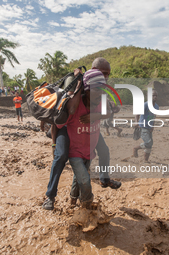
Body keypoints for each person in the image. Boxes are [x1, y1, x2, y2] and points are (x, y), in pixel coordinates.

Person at [42, 58, 121, 210]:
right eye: (103, 73)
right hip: (68, 127)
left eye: (108, 75)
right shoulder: (77, 85)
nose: (105, 77)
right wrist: (53, 143)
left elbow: (107, 111)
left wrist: (95, 115)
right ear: (92, 69)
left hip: (87, 130)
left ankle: (101, 181)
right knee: (61, 156)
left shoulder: (99, 88)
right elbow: (60, 116)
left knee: (100, 152)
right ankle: (50, 196)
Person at [55, 69, 108, 208]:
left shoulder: (100, 104)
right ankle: (87, 207)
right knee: (85, 180)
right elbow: (58, 124)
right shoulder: (75, 107)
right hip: (75, 152)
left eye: (103, 89)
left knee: (78, 177)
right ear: (88, 90)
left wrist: (95, 116)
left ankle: (73, 200)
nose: (101, 93)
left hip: (89, 151)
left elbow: (110, 111)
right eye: (97, 89)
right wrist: (55, 146)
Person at [133, 90, 159, 162]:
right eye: (153, 95)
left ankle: (145, 161)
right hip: (143, 126)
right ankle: (136, 148)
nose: (155, 97)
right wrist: (136, 122)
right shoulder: (145, 105)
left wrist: (152, 126)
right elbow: (137, 113)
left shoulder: (156, 106)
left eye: (156, 96)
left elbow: (154, 116)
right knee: (148, 142)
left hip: (149, 127)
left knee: (150, 145)